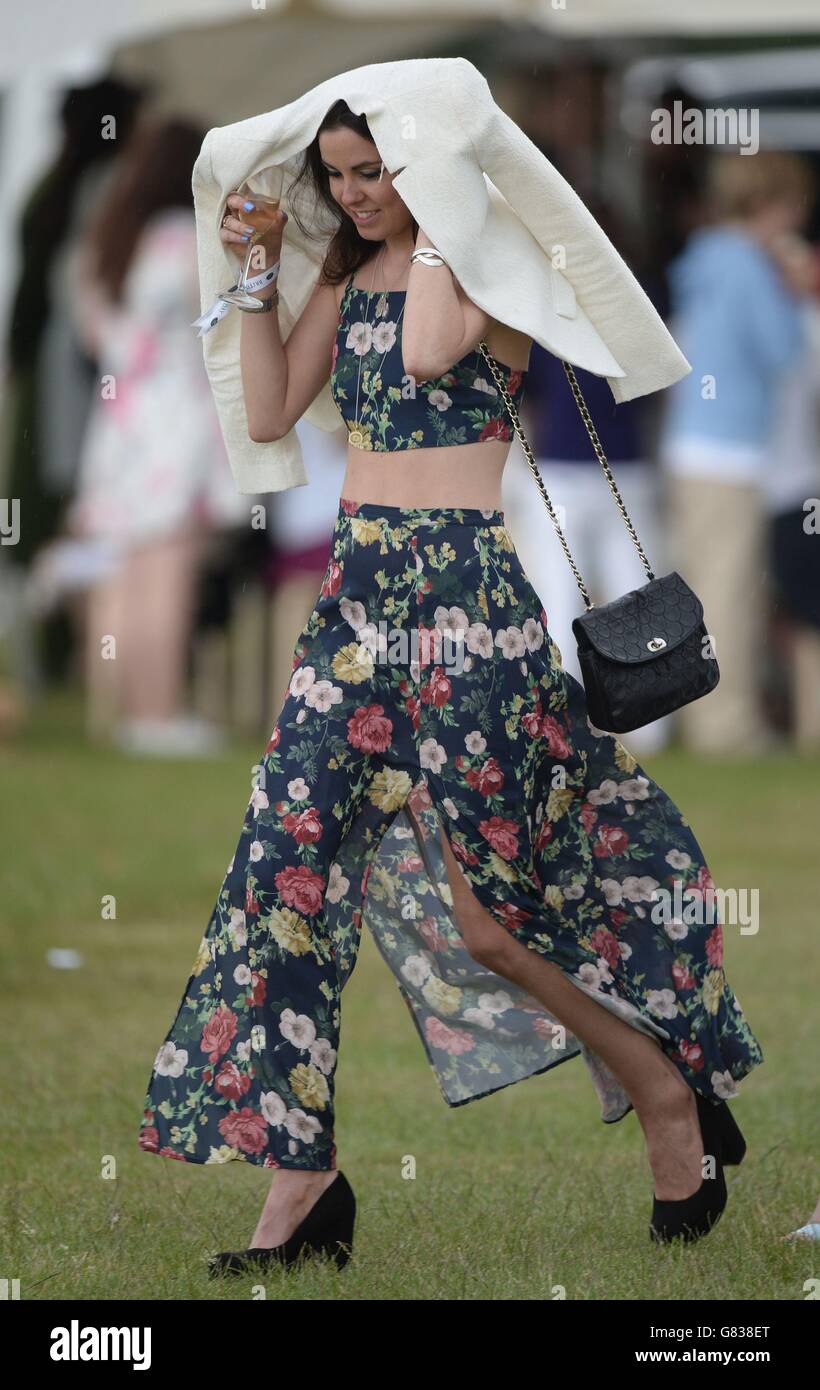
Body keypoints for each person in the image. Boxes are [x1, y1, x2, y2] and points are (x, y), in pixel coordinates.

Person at [138, 93, 764, 1271]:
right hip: (354, 603)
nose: (356, 194)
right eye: (339, 176)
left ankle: (667, 1097)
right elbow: (270, 410)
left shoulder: (487, 267)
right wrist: (269, 273)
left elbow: (430, 352)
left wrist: (440, 210)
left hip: (465, 606)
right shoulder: (346, 270)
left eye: (373, 169)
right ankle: (303, 1188)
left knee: (492, 919)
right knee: (282, 877)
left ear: (423, 162)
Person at [60, 117, 255, 754]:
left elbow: (98, 336)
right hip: (175, 418)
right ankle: (159, 714)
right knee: (168, 569)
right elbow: (218, 319)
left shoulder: (112, 240)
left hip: (120, 421)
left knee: (133, 568)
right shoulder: (180, 236)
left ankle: (128, 712)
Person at [658, 150, 814, 754]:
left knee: (707, 586)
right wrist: (794, 291)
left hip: (694, 446)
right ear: (774, 205)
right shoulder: (751, 265)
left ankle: (707, 717)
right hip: (731, 453)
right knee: (729, 590)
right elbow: (783, 354)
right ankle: (727, 726)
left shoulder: (706, 256)